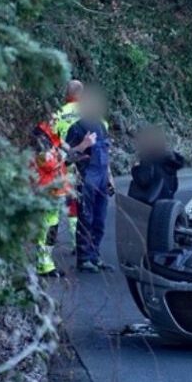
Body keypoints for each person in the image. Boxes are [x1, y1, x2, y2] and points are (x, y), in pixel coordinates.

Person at [30, 120, 94, 277]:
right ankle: (43, 264)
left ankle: (45, 262)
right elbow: (51, 163)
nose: (56, 121)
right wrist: (77, 151)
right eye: (53, 119)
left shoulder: (52, 135)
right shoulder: (40, 138)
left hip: (56, 191)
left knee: (51, 228)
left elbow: (66, 152)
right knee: (45, 229)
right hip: (46, 191)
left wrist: (77, 152)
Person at [65, 87, 115, 273]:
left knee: (100, 219)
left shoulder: (101, 126)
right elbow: (66, 157)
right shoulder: (76, 128)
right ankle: (84, 258)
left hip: (101, 177)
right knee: (86, 218)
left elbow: (106, 153)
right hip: (86, 178)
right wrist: (83, 145)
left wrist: (110, 177)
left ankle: (95, 256)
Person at [52, 80, 84, 247]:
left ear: (67, 94)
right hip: (84, 163)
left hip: (62, 164)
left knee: (56, 205)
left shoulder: (58, 114)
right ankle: (76, 242)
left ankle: (50, 243)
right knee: (77, 204)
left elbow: (51, 139)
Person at [128, 125, 186, 205]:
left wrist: (135, 168)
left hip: (149, 207)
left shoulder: (149, 161)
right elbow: (174, 186)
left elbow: (143, 180)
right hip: (166, 205)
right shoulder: (169, 161)